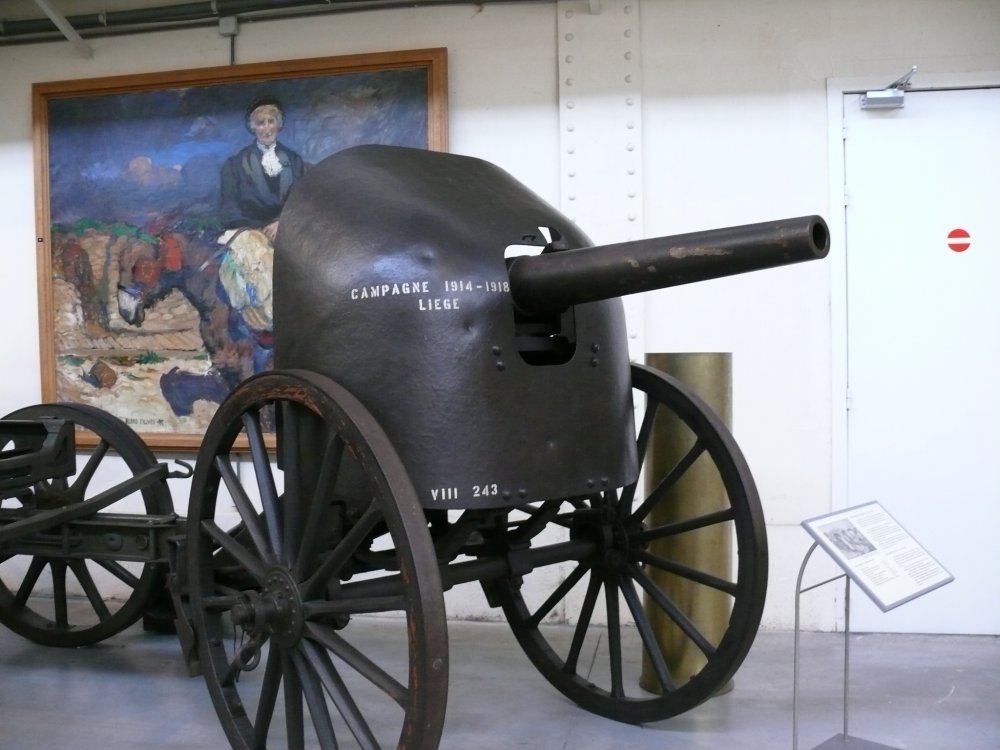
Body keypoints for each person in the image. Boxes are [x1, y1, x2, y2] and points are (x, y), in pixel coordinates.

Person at [219, 96, 305, 242]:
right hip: (250, 233)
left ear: (278, 124)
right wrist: (256, 232)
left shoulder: (294, 160)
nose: (266, 129)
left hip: (286, 230)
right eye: (260, 123)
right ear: (253, 127)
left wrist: (283, 223)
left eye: (271, 122)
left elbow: (302, 203)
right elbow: (228, 209)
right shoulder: (235, 164)